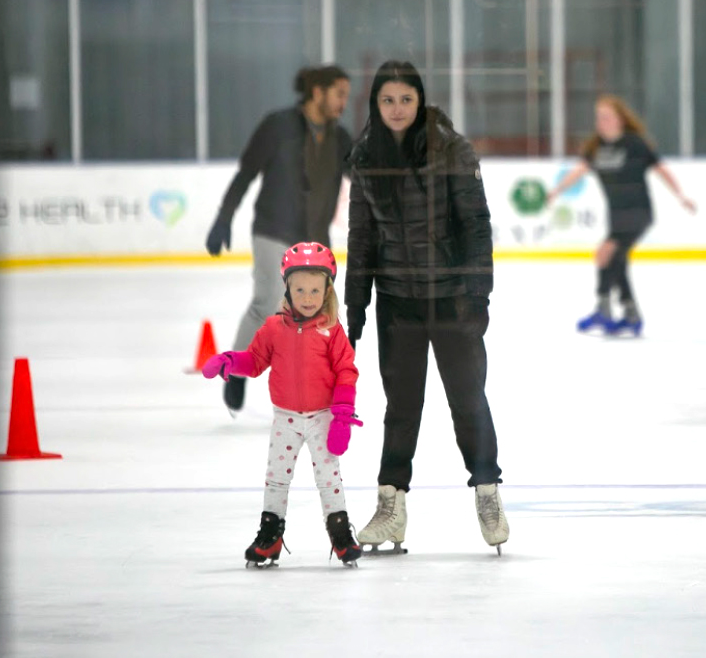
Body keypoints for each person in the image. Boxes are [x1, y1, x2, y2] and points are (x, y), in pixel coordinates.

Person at [344, 61, 508, 555]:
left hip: (453, 298)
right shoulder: (366, 158)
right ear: (376, 104)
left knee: (467, 400)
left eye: (405, 100)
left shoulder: (451, 150)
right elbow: (362, 237)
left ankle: (487, 492)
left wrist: (478, 295)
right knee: (401, 408)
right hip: (398, 304)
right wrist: (355, 305)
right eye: (387, 100)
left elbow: (477, 224)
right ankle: (391, 505)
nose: (397, 109)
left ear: (420, 101)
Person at [201, 242, 364, 567]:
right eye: (300, 289)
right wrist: (230, 362)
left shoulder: (332, 331)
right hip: (286, 419)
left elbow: (347, 371)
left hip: (322, 418)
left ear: (327, 290)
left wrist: (343, 416)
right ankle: (270, 536)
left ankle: (341, 534)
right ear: (286, 287)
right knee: (276, 478)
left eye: (315, 290)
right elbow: (257, 360)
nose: (307, 297)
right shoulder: (274, 328)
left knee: (329, 478)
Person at [206, 65, 353, 415]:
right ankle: (238, 373)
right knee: (268, 302)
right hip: (274, 229)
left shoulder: (341, 138)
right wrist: (224, 217)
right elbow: (246, 172)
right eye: (339, 94)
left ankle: (310, 391)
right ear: (317, 92)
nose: (344, 103)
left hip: (314, 238)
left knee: (316, 313)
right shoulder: (278, 126)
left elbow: (364, 177)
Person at [545, 95, 696, 336]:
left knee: (605, 254)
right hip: (617, 216)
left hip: (638, 213)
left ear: (620, 120)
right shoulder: (596, 148)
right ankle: (630, 313)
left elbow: (661, 169)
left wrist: (681, 196)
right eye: (599, 117)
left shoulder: (635, 144)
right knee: (616, 259)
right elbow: (579, 171)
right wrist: (556, 191)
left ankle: (604, 309)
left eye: (606, 117)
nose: (601, 122)